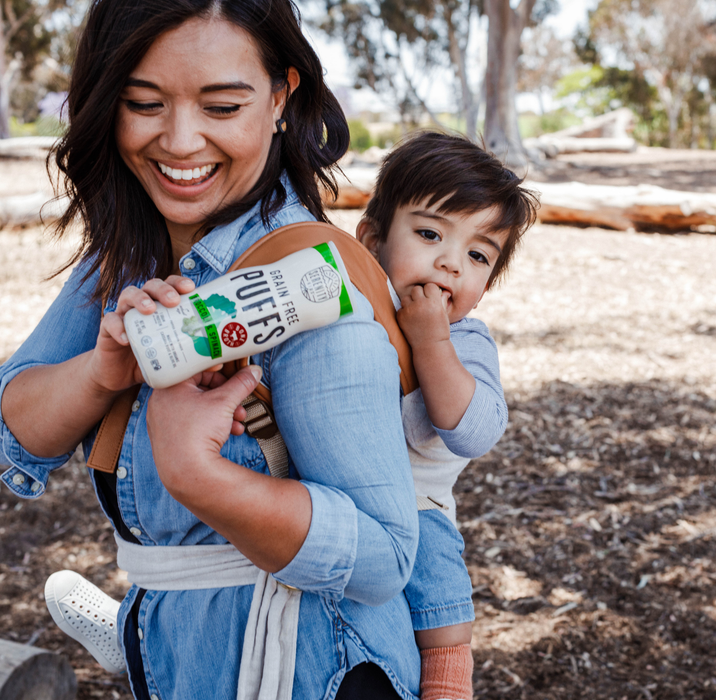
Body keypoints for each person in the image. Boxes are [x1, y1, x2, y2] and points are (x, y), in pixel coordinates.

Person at [0, 2, 422, 699]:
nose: (181, 140)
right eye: (143, 102)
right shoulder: (128, 254)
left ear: (282, 97)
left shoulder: (309, 283)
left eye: (223, 106)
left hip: (309, 673)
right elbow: (14, 431)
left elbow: (383, 558)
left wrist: (202, 477)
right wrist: (100, 372)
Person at [357, 132, 538, 700]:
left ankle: (447, 690)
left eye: (477, 255)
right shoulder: (346, 309)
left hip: (418, 506)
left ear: (486, 286)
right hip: (328, 493)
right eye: (430, 233)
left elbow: (477, 430)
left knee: (440, 599)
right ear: (371, 240)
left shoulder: (466, 339)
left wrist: (432, 341)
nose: (449, 263)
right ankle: (143, 625)